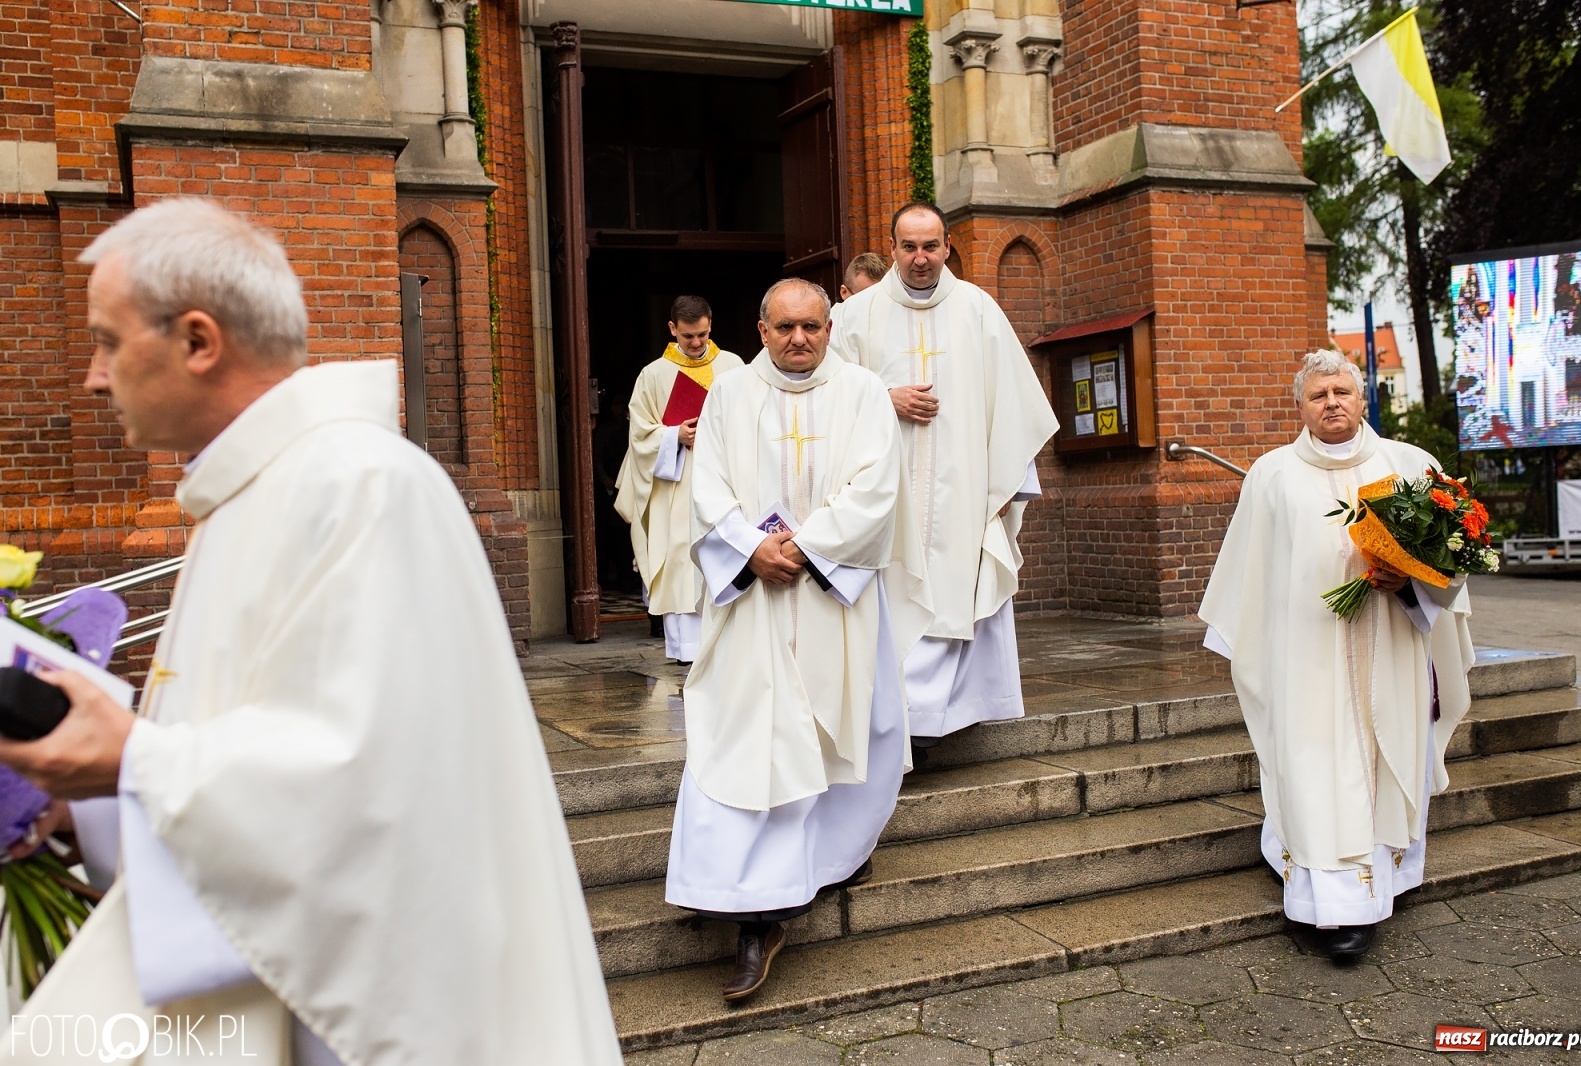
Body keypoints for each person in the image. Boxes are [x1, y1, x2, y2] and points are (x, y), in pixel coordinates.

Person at [0, 199, 622, 1064]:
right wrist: (94, 805)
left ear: (197, 340)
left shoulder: (359, 486)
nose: (92, 377)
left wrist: (135, 762)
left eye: (107, 341)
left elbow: (367, 789)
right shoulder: (255, 493)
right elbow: (262, 746)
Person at [664, 278, 927, 1001]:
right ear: (760, 328)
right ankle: (750, 905)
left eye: (811, 325)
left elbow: (878, 489)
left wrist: (804, 549)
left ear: (829, 325)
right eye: (784, 327)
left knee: (827, 734)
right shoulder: (731, 395)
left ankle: (798, 886)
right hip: (754, 607)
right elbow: (706, 489)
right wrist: (751, 550)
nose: (799, 339)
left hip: (826, 601)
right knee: (746, 737)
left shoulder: (865, 394)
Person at [1198, 350, 1475, 962]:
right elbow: (1248, 573)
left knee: (1380, 764)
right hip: (1306, 658)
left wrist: (1408, 583)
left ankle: (1373, 895)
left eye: (1343, 392)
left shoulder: (1410, 467)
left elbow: (1449, 568)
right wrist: (1250, 651)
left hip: (1391, 650)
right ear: (1300, 408)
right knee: (1314, 768)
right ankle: (1323, 903)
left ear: (1362, 399)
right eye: (1319, 395)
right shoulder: (1271, 476)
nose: (1332, 404)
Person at [832, 203, 1058, 756]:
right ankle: (889, 724)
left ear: (949, 245)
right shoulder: (856, 316)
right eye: (909, 247)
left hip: (961, 494)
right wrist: (885, 399)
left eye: (930, 246)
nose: (920, 258)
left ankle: (937, 723)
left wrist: (1007, 485)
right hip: (885, 498)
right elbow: (825, 399)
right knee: (892, 595)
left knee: (956, 588)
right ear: (892, 249)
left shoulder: (979, 310)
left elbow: (1014, 404)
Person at [614, 296, 744, 662]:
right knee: (679, 560)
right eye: (688, 336)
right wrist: (675, 436)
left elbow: (753, 418)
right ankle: (687, 650)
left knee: (723, 552)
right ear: (673, 330)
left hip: (724, 475)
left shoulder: (732, 366)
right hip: (676, 483)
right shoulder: (654, 374)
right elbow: (639, 435)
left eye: (703, 334)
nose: (697, 343)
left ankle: (725, 643)